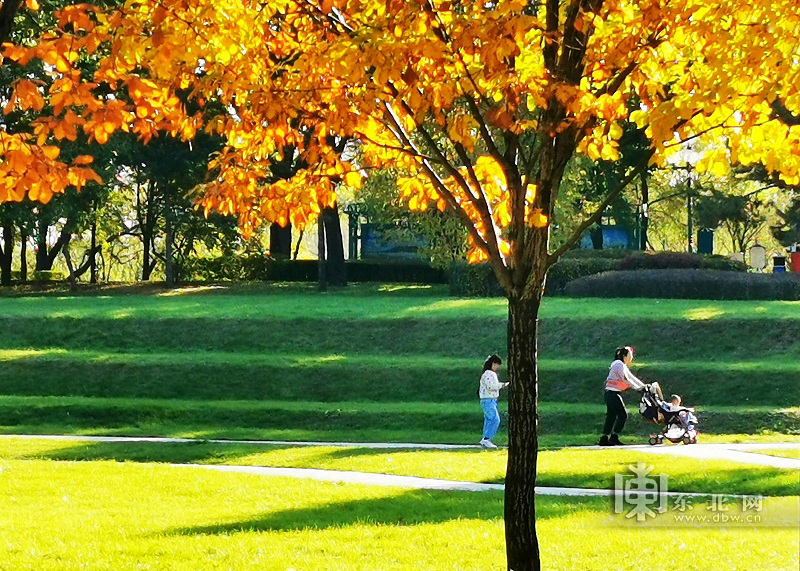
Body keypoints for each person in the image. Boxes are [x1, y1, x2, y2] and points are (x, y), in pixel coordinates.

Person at [599, 346, 646, 446]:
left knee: (611, 416)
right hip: (612, 393)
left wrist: (643, 386)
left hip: (611, 393)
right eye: (630, 355)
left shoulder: (620, 365)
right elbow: (626, 379)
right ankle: (614, 437)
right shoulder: (618, 365)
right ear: (625, 355)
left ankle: (604, 438)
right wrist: (638, 388)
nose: (631, 357)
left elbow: (631, 377)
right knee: (623, 415)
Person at [478, 354, 508, 449]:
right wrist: (504, 385)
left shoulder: (488, 373)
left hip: (491, 400)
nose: (497, 367)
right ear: (492, 364)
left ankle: (485, 439)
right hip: (488, 400)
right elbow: (491, 386)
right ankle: (487, 439)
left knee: (489, 420)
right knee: (495, 419)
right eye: (496, 365)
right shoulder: (488, 374)